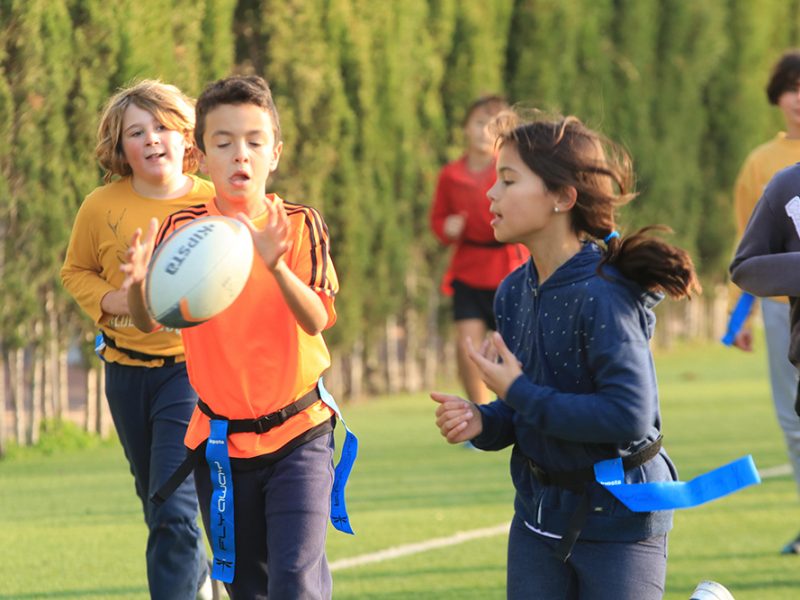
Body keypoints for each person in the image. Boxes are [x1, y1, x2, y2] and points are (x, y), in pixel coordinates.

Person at [432, 113, 701, 599]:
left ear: (562, 198)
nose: (491, 194)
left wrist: (517, 391)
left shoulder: (604, 295)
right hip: (537, 516)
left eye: (508, 180)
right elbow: (527, 412)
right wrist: (484, 420)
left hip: (621, 519)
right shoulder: (512, 292)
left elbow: (628, 417)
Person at [123, 75, 339, 600]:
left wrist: (276, 266)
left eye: (254, 141)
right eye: (223, 143)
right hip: (220, 443)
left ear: (275, 153)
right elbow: (151, 322)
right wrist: (137, 287)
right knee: (246, 588)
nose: (240, 154)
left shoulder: (298, 224)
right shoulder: (183, 230)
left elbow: (316, 319)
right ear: (199, 155)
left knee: (295, 580)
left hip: (300, 433)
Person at [60, 80, 215, 600]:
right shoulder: (99, 206)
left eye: (163, 126)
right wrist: (117, 300)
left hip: (190, 374)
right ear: (119, 146)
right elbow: (75, 271)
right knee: (156, 502)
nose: (151, 139)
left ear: (187, 135)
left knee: (171, 503)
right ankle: (198, 578)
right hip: (124, 373)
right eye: (136, 132)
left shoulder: (214, 202)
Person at [727, 49, 800, 555]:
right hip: (782, 307)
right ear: (777, 98)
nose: (799, 99)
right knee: (793, 419)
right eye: (791, 89)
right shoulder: (765, 166)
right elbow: (750, 252)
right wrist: (742, 315)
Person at [430, 95, 527, 405]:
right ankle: (481, 411)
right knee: (467, 346)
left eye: (494, 125)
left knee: (514, 345)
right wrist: (447, 228)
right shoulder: (450, 174)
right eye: (479, 123)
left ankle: (516, 403)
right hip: (469, 270)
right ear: (465, 128)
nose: (485, 131)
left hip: (509, 268)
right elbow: (438, 220)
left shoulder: (511, 170)